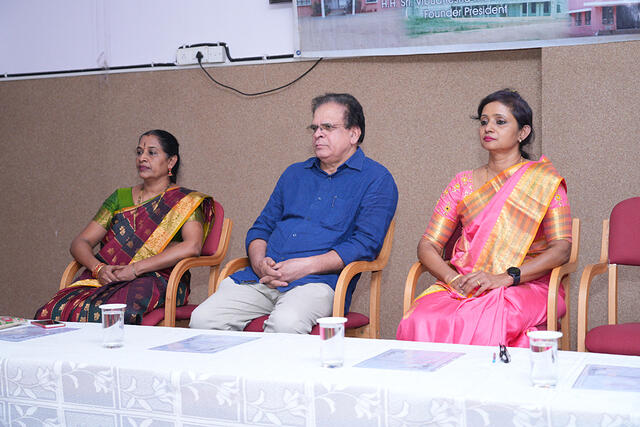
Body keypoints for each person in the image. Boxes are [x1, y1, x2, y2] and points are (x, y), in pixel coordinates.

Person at [190, 93, 398, 333]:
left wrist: (305, 266)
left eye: (328, 127)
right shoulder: (294, 174)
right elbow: (261, 228)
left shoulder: (377, 179)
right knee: (203, 319)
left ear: (354, 133)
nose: (317, 134)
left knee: (286, 324)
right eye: (315, 127)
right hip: (263, 278)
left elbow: (365, 244)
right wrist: (259, 263)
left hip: (318, 283)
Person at [397, 89, 572, 347]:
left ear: (523, 133)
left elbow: (562, 249)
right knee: (420, 318)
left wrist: (506, 277)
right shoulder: (462, 183)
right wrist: (452, 279)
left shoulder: (544, 182)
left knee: (487, 318)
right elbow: (428, 245)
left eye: (500, 121)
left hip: (525, 283)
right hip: (465, 283)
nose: (488, 127)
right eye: (484, 121)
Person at [35, 130, 214, 325]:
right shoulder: (120, 198)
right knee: (51, 311)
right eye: (139, 152)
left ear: (171, 162)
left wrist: (135, 269)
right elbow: (80, 242)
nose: (142, 158)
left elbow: (192, 246)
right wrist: (99, 268)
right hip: (107, 276)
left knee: (119, 311)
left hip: (159, 279)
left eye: (151, 153)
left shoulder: (184, 201)